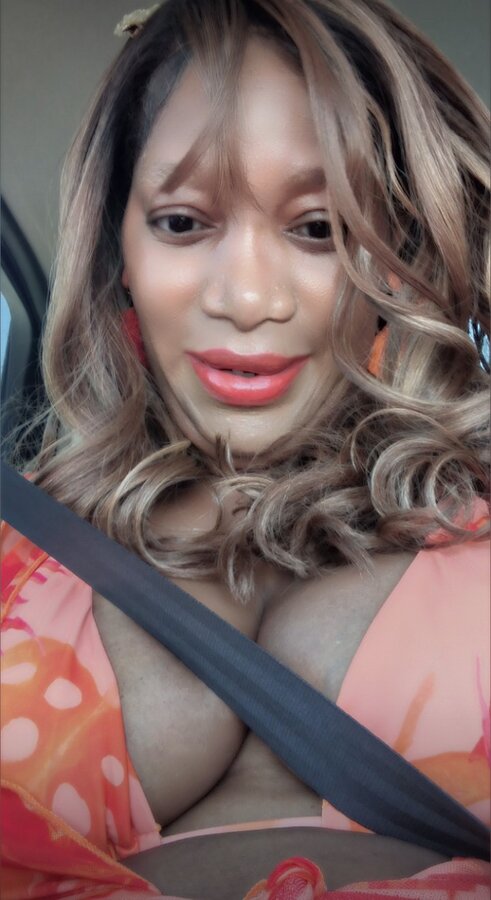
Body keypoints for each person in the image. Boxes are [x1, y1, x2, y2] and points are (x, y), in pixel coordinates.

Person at [1, 0, 489, 897]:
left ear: (397, 256)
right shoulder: (18, 542)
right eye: (183, 222)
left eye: (318, 227)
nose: (247, 298)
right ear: (117, 247)